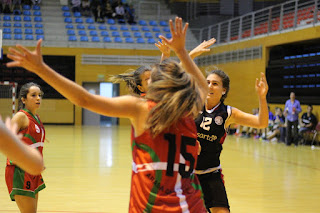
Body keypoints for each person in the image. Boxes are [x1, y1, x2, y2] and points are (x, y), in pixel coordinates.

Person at [7, 17, 208, 212]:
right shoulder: (190, 108)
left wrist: (41, 69)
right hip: (191, 206)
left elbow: (84, 100)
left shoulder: (141, 109)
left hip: (152, 207)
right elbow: (202, 87)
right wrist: (182, 52)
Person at [194, 69, 268, 213]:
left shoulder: (228, 113)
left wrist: (262, 97)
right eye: (207, 82)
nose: (209, 86)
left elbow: (261, 123)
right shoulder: (193, 105)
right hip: (187, 174)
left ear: (223, 90)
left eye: (215, 84)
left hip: (211, 173)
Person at [5, 82, 46, 213]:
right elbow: (6, 141)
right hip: (20, 170)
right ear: (23, 99)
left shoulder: (37, 118)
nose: (38, 98)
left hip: (33, 171)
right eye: (33, 95)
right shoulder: (21, 117)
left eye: (39, 95)